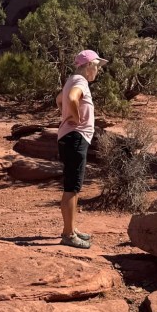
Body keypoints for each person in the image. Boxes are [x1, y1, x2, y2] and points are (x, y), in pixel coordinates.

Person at [56, 49, 107, 249]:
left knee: (74, 187)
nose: (98, 70)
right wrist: (75, 119)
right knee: (71, 187)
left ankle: (71, 228)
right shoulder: (80, 81)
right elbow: (71, 98)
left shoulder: (72, 79)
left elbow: (59, 99)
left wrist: (66, 116)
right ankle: (68, 235)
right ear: (88, 66)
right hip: (75, 138)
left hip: (71, 137)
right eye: (97, 66)